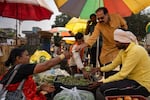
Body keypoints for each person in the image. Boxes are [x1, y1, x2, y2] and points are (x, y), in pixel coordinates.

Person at [91, 29, 150, 100]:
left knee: (105, 89)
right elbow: (113, 65)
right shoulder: (123, 51)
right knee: (108, 75)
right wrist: (99, 69)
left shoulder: (135, 51)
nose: (115, 44)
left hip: (141, 85)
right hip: (130, 79)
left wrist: (101, 82)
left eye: (117, 42)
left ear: (124, 42)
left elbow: (122, 74)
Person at [0, 47, 70, 100]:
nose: (29, 57)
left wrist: (40, 88)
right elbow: (45, 65)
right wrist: (62, 56)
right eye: (26, 55)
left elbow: (22, 90)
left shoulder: (14, 70)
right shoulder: (21, 68)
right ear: (18, 58)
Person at [75, 7, 128, 77]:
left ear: (107, 15)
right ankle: (107, 79)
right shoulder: (98, 26)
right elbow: (93, 37)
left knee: (124, 66)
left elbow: (125, 26)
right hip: (108, 47)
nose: (100, 20)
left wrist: (122, 30)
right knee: (107, 66)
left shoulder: (116, 17)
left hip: (121, 45)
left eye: (102, 18)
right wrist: (83, 45)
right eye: (98, 18)